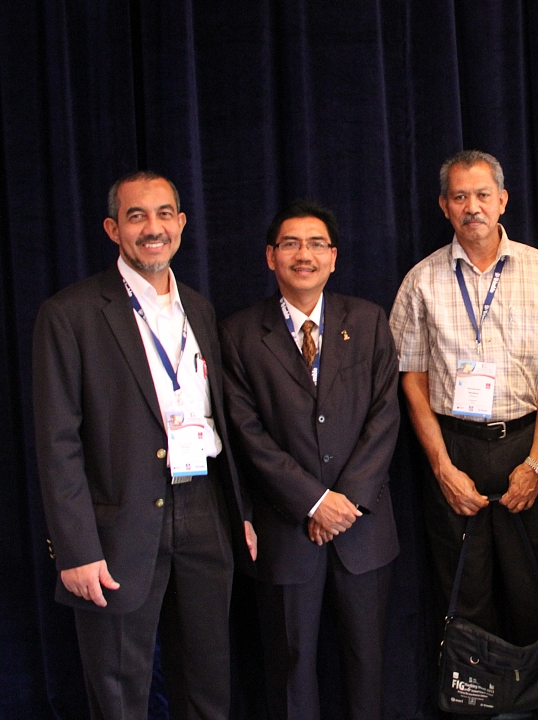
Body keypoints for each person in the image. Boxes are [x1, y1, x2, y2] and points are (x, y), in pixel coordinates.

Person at [32, 170, 256, 720]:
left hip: (204, 509)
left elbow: (219, 418)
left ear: (181, 224)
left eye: (163, 215)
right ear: (113, 229)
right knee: (118, 692)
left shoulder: (199, 309)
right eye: (136, 216)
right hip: (119, 523)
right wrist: (76, 548)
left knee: (206, 685)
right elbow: (57, 442)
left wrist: (240, 512)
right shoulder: (70, 314)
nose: (152, 228)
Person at [389, 150, 538, 719]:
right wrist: (442, 467)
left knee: (534, 585)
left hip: (526, 441)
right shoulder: (421, 280)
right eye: (459, 197)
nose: (471, 206)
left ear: (502, 201)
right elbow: (411, 377)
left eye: (481, 195)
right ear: (444, 207)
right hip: (455, 447)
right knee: (463, 588)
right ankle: (470, 705)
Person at [220, 199, 400, 720]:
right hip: (286, 529)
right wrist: (315, 501)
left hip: (362, 529)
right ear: (270, 256)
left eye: (317, 244)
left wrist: (346, 502)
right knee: (290, 669)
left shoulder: (367, 321)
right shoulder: (238, 333)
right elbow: (246, 433)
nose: (305, 255)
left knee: (367, 666)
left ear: (334, 257)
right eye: (291, 244)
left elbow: (385, 416)